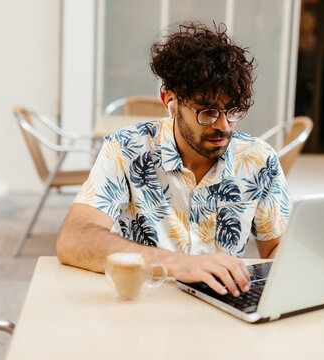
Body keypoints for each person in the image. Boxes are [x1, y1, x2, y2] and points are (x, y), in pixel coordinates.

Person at [57, 22, 291, 298]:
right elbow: (74, 239)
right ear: (170, 100)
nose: (224, 126)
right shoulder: (125, 149)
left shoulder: (259, 160)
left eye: (233, 111)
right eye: (207, 112)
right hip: (145, 305)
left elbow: (278, 249)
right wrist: (177, 263)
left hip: (225, 312)